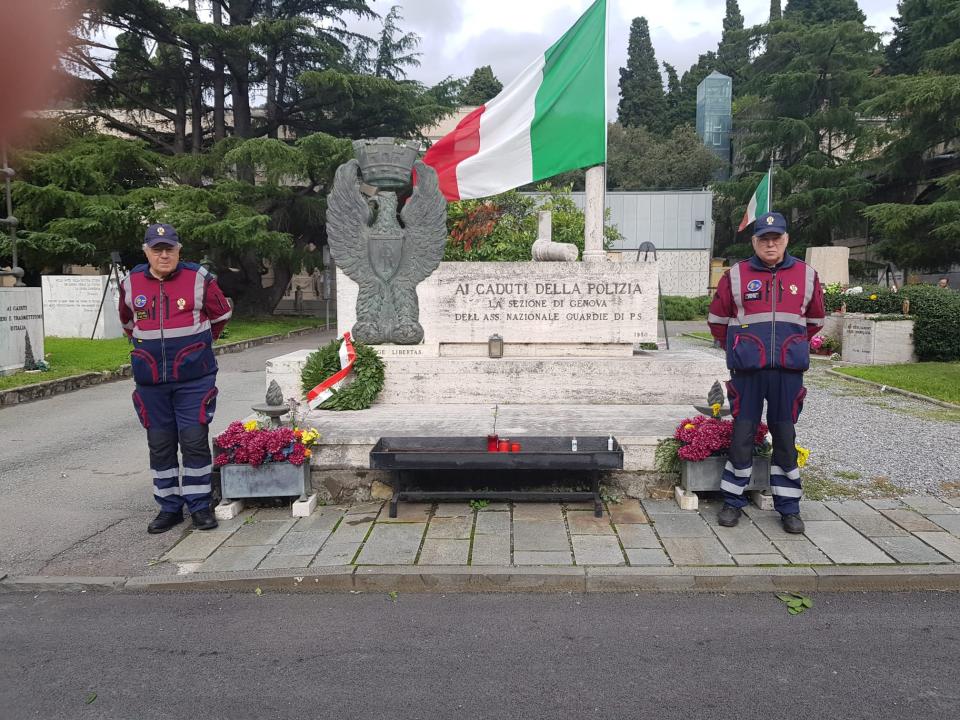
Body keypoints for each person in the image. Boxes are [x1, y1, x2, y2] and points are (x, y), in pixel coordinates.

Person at [707, 212, 825, 534]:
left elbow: (815, 322)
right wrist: (740, 347)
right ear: (754, 241)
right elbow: (718, 321)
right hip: (747, 370)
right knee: (742, 435)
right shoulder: (735, 275)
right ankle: (732, 502)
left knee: (785, 437)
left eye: (776, 238)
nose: (770, 244)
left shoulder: (806, 275)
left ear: (786, 239)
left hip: (787, 372)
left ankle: (789, 507)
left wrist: (789, 345)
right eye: (764, 238)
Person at [118, 223, 233, 534]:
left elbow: (220, 315)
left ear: (179, 250)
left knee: (194, 440)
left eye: (169, 248)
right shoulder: (131, 282)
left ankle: (199, 506)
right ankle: (169, 507)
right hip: (150, 381)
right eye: (157, 249)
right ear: (146, 252)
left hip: (194, 379)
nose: (164, 254)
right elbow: (128, 322)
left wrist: (196, 348)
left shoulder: (198, 278)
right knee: (160, 444)